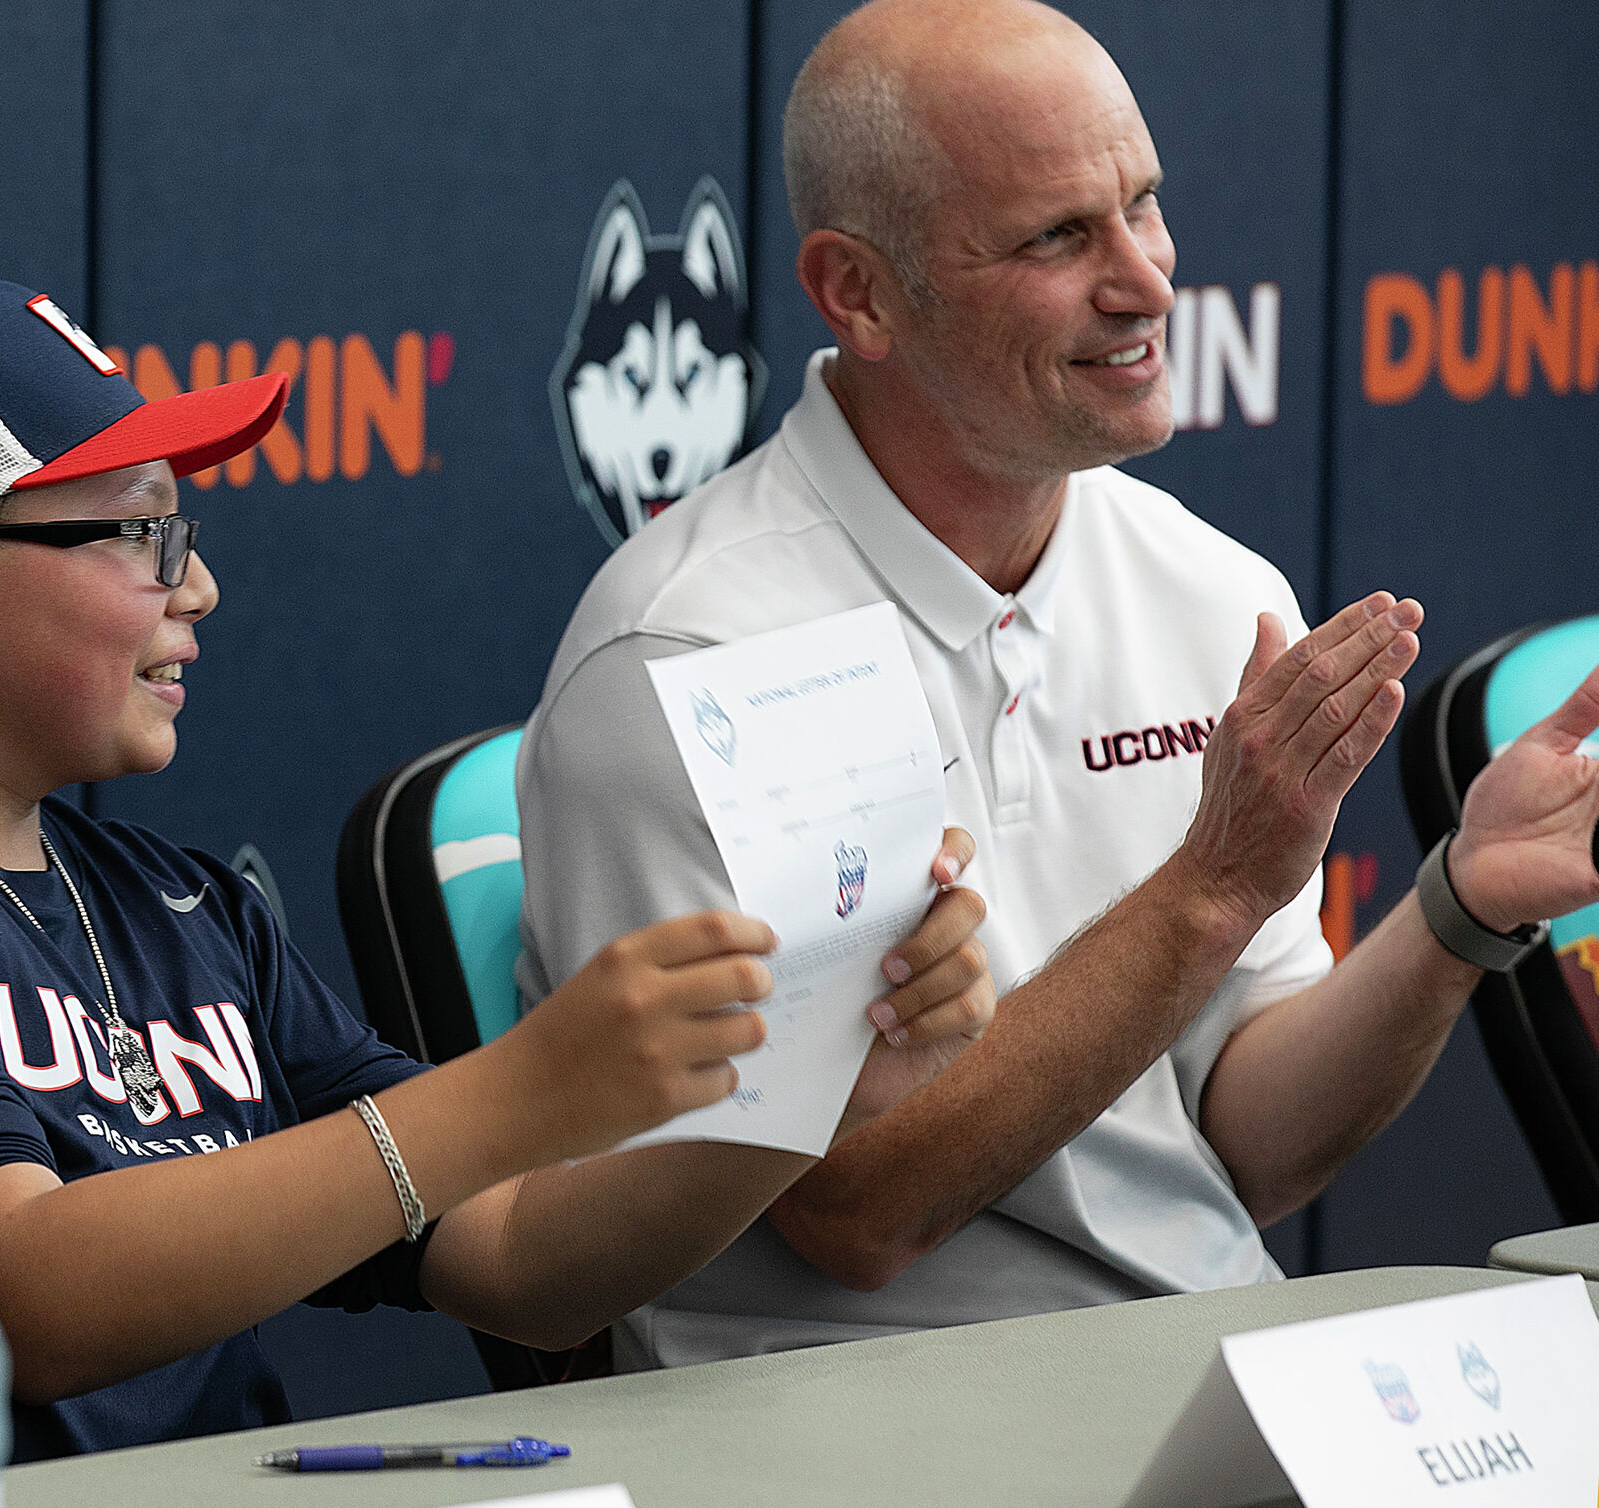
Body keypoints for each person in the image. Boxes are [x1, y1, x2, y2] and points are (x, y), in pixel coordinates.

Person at [0, 278, 996, 1508]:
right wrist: (521, 1096)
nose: (198, 589)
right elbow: (22, 1296)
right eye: (139, 536)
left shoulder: (175, 904)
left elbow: (521, 1265)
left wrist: (811, 1066)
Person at [515, 0, 1599, 1370]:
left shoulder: (1216, 592)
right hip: (861, 1430)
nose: (1147, 280)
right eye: (1057, 238)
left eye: (1144, 206)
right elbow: (858, 1216)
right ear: (859, 293)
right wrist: (1212, 884)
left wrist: (1457, 909)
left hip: (1205, 1375)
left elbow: (1246, 1148)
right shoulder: (701, 654)